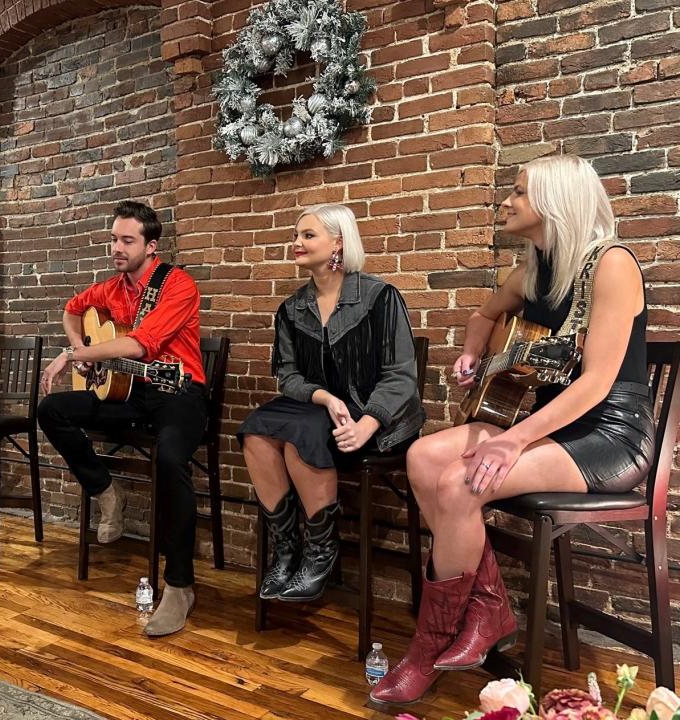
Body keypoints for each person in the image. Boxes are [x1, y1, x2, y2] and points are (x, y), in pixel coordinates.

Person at [370, 155, 654, 705]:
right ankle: (489, 605)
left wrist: (513, 437)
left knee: (459, 483)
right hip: (551, 425)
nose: (506, 201)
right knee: (423, 457)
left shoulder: (612, 263)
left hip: (610, 435)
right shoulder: (535, 269)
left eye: (519, 192)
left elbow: (596, 383)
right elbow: (482, 317)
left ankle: (428, 648)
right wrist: (474, 354)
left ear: (553, 203)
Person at [237, 204, 425, 602]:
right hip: (321, 410)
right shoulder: (291, 309)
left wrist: (367, 423)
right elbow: (288, 377)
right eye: (296, 235)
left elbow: (400, 377)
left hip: (379, 420)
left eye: (308, 235)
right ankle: (288, 548)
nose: (296, 243)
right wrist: (323, 397)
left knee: (300, 433)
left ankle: (321, 553)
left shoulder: (380, 297)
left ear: (338, 242)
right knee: (257, 426)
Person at [37, 200, 207, 637]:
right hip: (130, 393)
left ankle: (180, 585)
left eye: (127, 240)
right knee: (51, 409)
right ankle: (106, 490)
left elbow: (139, 345)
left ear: (151, 246)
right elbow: (72, 310)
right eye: (114, 238)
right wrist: (81, 345)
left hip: (178, 392)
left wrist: (75, 354)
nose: (117, 247)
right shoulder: (110, 289)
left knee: (170, 460)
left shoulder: (178, 285)